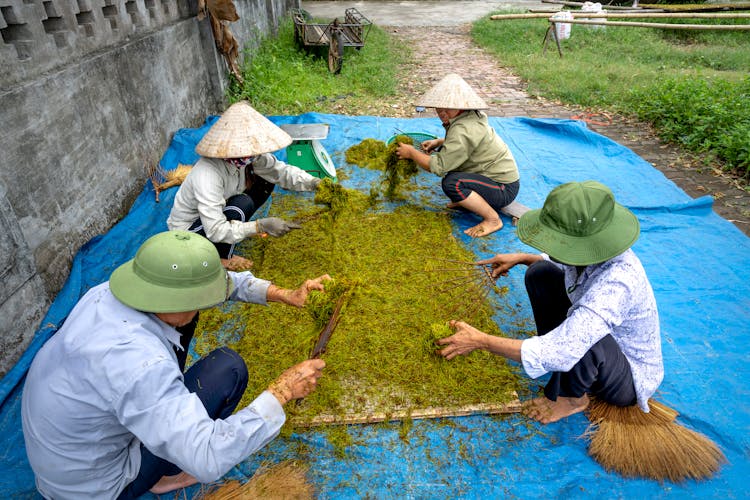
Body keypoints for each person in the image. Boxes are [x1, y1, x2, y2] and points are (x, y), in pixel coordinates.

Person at [21, 231, 329, 499]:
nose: (207, 303)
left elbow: (222, 284)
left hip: (65, 459)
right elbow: (208, 455)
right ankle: (164, 476)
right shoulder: (141, 365)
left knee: (188, 329)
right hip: (99, 487)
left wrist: (284, 294)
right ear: (177, 300)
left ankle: (165, 436)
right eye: (199, 299)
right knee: (228, 370)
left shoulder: (107, 294)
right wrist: (283, 390)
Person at [436, 181, 664, 423]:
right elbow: (562, 261)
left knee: (587, 340)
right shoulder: (592, 251)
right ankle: (558, 360)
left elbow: (568, 346)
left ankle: (573, 398)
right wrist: (523, 258)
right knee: (541, 272)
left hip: (623, 374)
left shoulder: (618, 283)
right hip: (589, 339)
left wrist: (480, 341)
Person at [167, 100, 323, 270]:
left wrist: (314, 183)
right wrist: (259, 226)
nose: (251, 155)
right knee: (242, 204)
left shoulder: (249, 158)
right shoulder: (207, 174)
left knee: (266, 178)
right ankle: (222, 258)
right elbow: (215, 229)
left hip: (222, 209)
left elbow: (280, 172)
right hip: (190, 233)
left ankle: (237, 228)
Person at [395, 73, 520, 238]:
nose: (442, 113)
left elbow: (437, 166)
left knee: (451, 183)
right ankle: (469, 201)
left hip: (503, 188)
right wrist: (440, 142)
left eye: (448, 108)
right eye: (439, 108)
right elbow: (465, 143)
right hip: (487, 176)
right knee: (450, 163)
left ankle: (492, 219)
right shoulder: (469, 115)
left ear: (461, 105)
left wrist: (411, 153)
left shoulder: (464, 130)